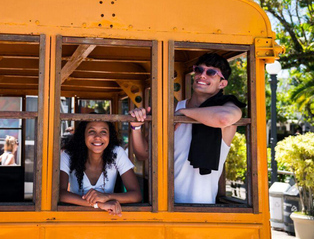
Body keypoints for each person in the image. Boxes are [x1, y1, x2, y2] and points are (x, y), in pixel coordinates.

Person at [129, 53, 245, 204]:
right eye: (199, 70)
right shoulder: (171, 109)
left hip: (201, 208)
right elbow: (143, 154)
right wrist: (136, 128)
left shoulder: (226, 107)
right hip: (163, 203)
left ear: (222, 83)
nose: (202, 75)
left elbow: (224, 118)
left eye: (211, 72)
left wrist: (183, 114)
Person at [59, 120, 142, 216]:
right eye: (92, 131)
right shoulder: (69, 155)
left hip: (108, 216)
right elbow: (60, 194)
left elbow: (136, 195)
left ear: (109, 136)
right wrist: (99, 205)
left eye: (103, 132)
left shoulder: (117, 153)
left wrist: (106, 197)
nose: (97, 137)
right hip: (75, 217)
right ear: (83, 135)